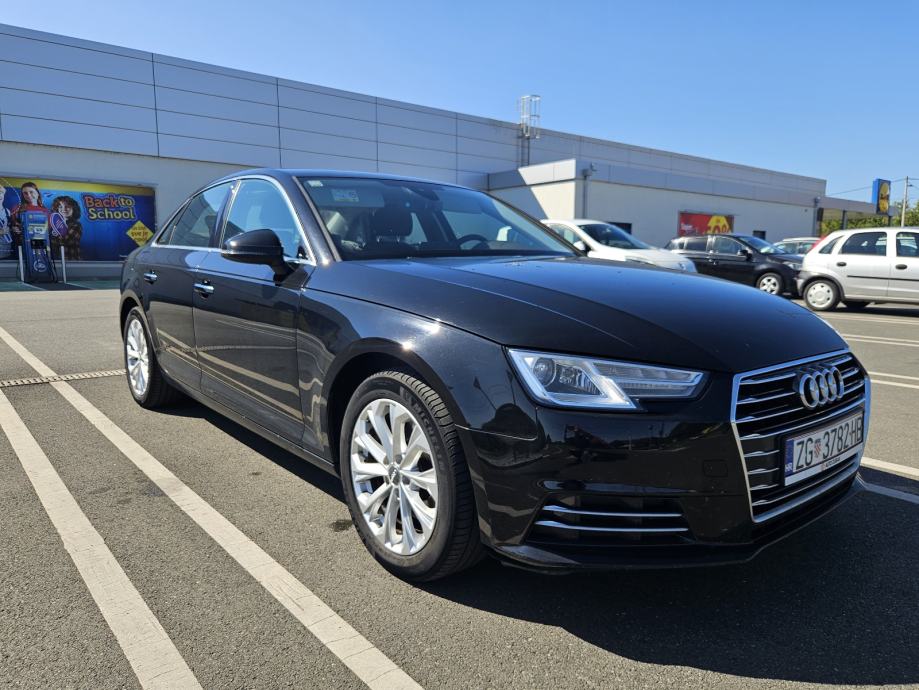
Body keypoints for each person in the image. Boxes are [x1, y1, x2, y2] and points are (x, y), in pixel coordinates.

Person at [50, 195, 83, 260]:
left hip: (72, 260)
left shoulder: (76, 225)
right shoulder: (54, 224)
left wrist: (50, 239)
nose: (63, 209)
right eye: (60, 207)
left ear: (74, 209)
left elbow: (65, 241)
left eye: (67, 206)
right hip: (58, 261)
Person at [0, 180, 12, 260]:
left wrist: (12, 229)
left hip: (7, 249)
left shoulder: (7, 211)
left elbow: (8, 226)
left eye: (1, 192)